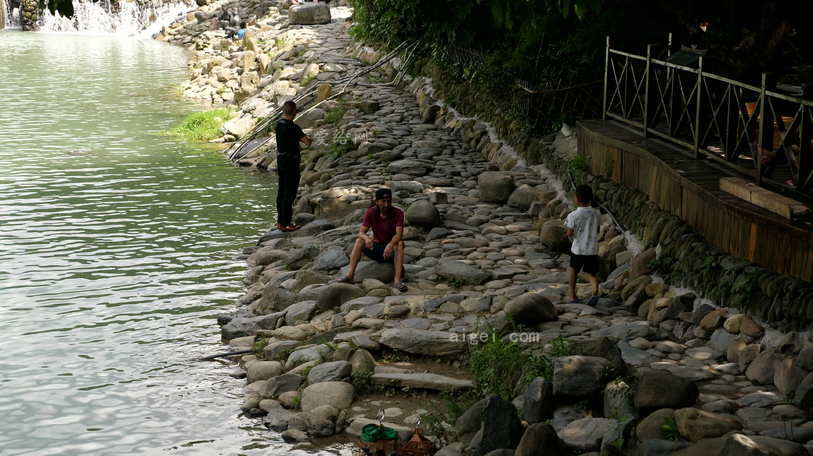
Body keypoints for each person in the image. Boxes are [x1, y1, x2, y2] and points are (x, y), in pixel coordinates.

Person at [337, 188, 408, 292]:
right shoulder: (371, 212)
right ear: (377, 201)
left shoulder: (398, 213)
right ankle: (350, 276)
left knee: (400, 244)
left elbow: (399, 234)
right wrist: (366, 238)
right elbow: (361, 232)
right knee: (359, 241)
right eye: (383, 201)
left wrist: (390, 245)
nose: (386, 204)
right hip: (377, 248)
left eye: (389, 201)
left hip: (390, 251)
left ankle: (397, 281)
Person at [274, 101, 311, 232]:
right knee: (289, 194)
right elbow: (307, 142)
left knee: (281, 192)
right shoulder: (293, 127)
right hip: (291, 163)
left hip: (281, 161)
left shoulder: (278, 124)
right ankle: (286, 223)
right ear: (294, 112)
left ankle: (280, 221)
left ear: (284, 111)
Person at [565, 184, 601, 303]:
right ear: (590, 198)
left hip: (578, 249)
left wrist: (569, 235)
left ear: (577, 199)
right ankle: (595, 290)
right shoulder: (596, 213)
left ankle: (572, 295)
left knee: (573, 271)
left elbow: (570, 233)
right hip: (592, 249)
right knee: (591, 273)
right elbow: (597, 230)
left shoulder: (573, 215)